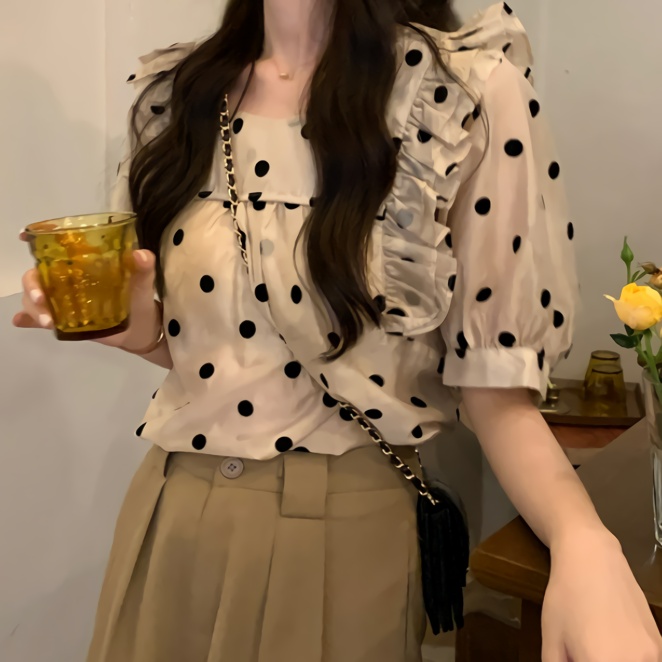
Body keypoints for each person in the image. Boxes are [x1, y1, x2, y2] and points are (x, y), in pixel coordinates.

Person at [14, 1, 662, 661]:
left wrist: (583, 539)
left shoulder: (456, 97)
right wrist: (142, 331)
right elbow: (215, 356)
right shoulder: (179, 94)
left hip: (340, 529)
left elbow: (495, 387)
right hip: (170, 509)